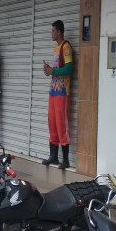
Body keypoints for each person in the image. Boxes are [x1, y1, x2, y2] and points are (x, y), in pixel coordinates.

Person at [43, 19, 74, 169]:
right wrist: (49, 70)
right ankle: (53, 156)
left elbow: (68, 69)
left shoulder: (66, 47)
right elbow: (57, 70)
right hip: (53, 91)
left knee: (61, 123)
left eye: (53, 31)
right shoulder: (56, 49)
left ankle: (66, 160)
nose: (52, 33)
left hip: (62, 92)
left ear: (59, 32)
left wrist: (53, 71)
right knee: (52, 123)